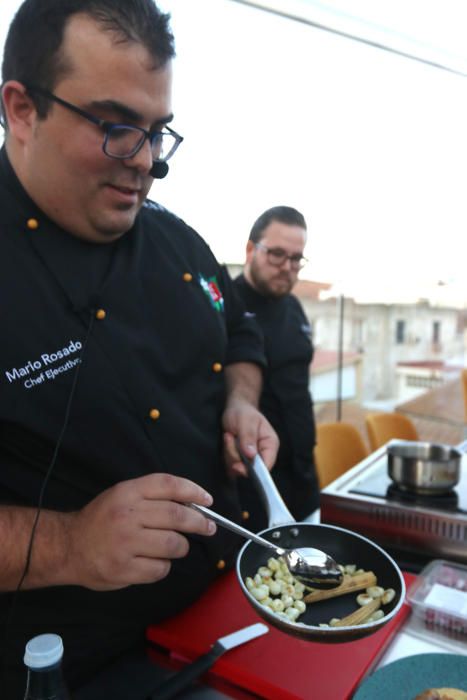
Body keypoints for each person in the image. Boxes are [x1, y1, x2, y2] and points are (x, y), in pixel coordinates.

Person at [0, 1, 278, 695]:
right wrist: (72, 543)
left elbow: (240, 332)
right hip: (81, 667)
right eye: (118, 127)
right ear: (22, 109)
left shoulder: (177, 238)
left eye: (157, 133)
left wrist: (240, 403)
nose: (147, 163)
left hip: (229, 623)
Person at [234, 206, 320, 531]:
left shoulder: (295, 308)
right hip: (254, 487)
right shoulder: (226, 307)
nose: (287, 267)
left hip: (305, 481)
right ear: (250, 249)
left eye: (296, 258)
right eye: (277, 255)